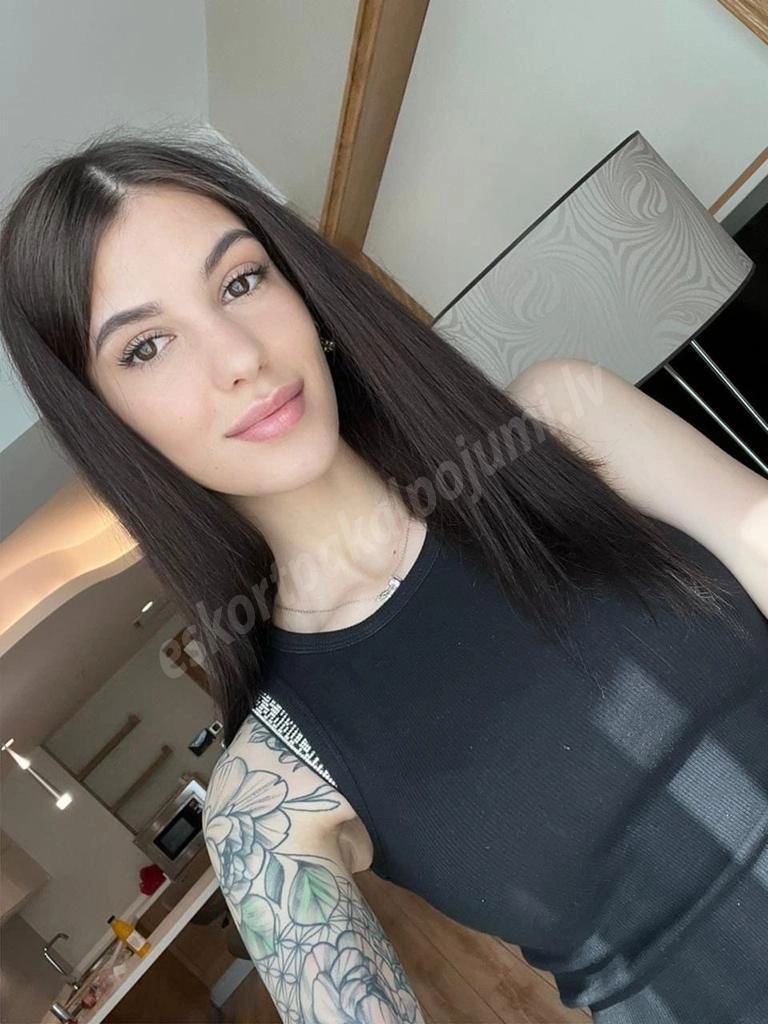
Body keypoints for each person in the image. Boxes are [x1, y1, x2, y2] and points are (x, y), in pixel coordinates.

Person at [1, 127, 766, 1024]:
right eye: (146, 347)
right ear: (109, 424)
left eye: (241, 281)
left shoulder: (565, 424)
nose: (239, 357)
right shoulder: (268, 791)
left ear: (305, 294)